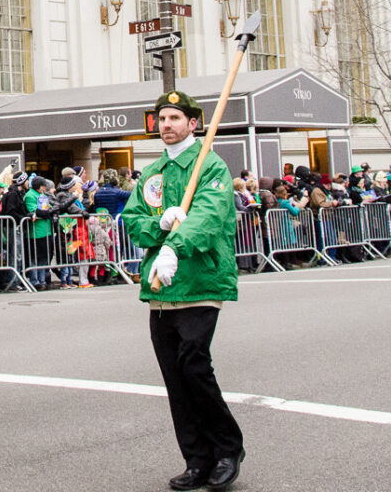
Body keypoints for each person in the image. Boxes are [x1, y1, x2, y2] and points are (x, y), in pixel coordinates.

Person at [125, 91, 245, 491]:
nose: (167, 125)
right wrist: (159, 227)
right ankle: (196, 459)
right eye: (162, 118)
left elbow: (210, 217)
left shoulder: (210, 166)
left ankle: (227, 449)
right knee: (174, 376)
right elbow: (133, 220)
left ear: (193, 124)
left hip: (199, 281)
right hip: (160, 289)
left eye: (175, 117)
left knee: (195, 364)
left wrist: (176, 246)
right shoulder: (153, 172)